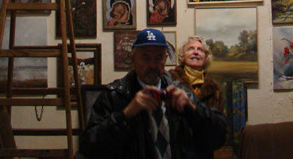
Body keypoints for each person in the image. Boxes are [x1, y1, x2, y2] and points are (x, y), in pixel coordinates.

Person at [77, 28, 227, 159]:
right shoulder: (115, 95)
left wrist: (193, 110)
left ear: (165, 59)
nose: (153, 65)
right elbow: (88, 147)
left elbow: (218, 138)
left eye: (158, 58)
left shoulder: (179, 90)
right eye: (145, 58)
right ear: (133, 59)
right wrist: (126, 114)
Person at [169, 36, 223, 111]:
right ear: (183, 55)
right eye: (191, 49)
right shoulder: (170, 79)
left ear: (206, 57)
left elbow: (218, 117)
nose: (196, 52)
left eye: (200, 50)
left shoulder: (215, 89)